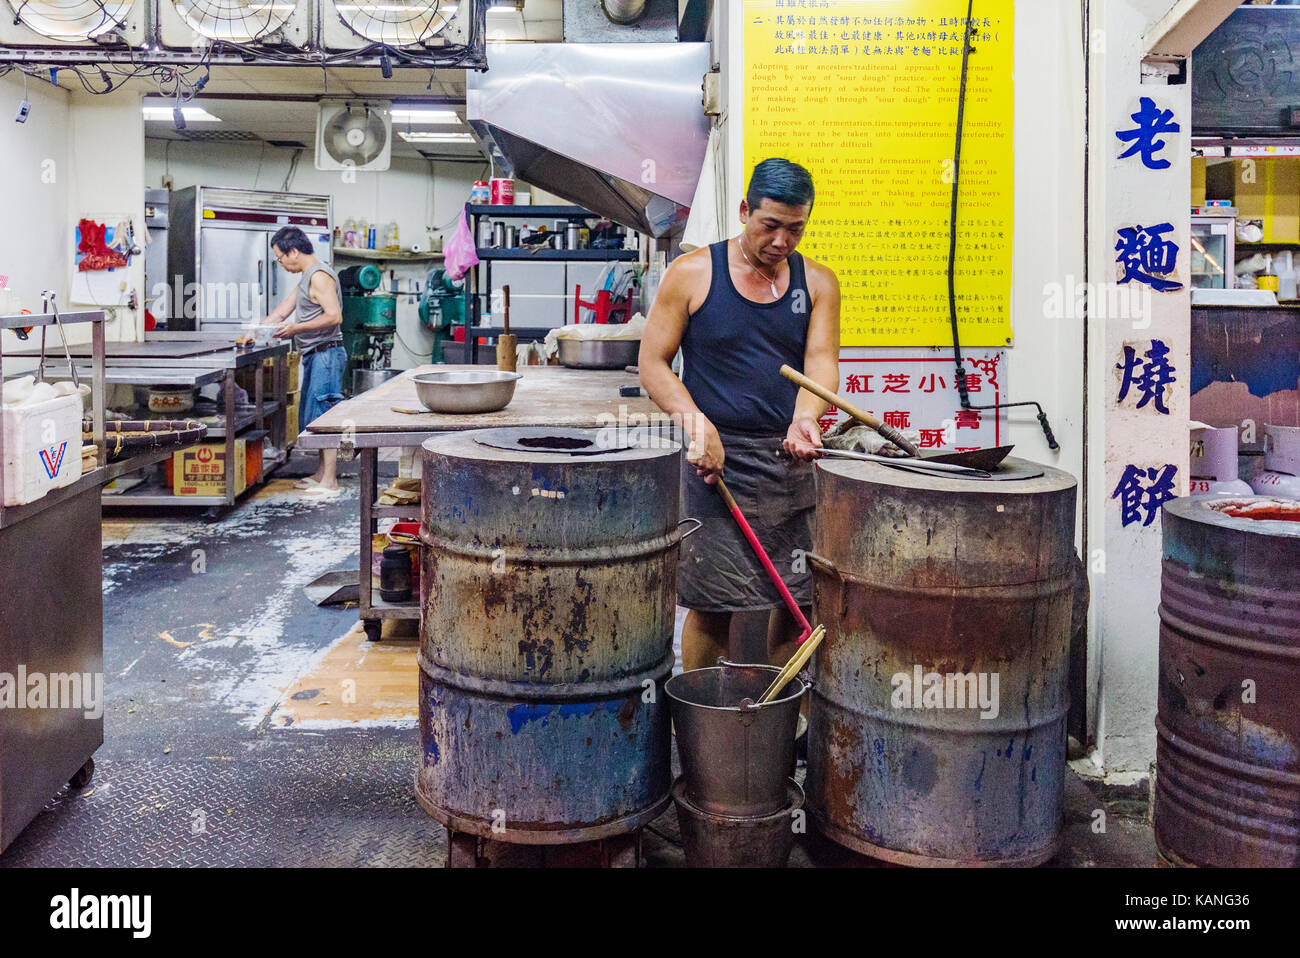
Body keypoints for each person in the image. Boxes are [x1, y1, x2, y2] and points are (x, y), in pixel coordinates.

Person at [639, 158, 841, 672]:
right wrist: (696, 423)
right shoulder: (692, 274)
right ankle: (707, 721)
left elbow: (820, 363)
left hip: (787, 461)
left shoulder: (817, 283)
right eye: (769, 225)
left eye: (796, 229)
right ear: (744, 210)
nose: (781, 241)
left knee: (795, 605)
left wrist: (806, 418)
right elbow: (653, 365)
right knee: (713, 607)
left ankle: (783, 722)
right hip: (716, 461)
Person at [261, 226, 345, 495]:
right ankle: (322, 474)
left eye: (280, 257)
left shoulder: (319, 276)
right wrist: (255, 331)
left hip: (327, 353)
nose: (281, 263)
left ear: (293, 251)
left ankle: (330, 481)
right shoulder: (306, 277)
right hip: (316, 354)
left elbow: (334, 316)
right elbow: (284, 309)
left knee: (325, 415)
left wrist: (295, 328)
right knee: (315, 418)